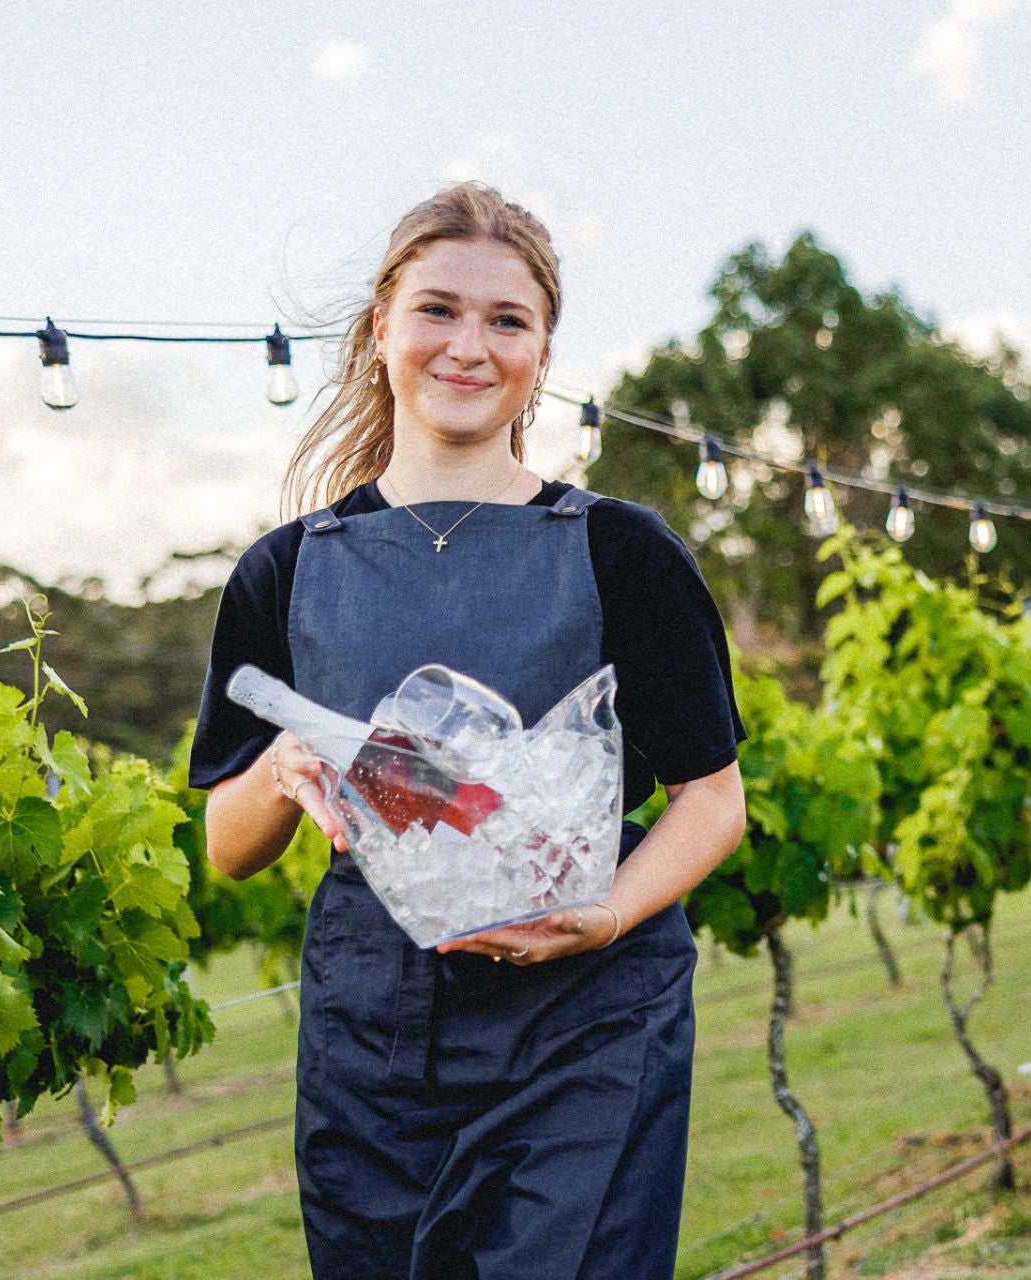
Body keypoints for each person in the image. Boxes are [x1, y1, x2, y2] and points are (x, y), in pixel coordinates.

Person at [190, 184, 747, 1279]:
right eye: (438, 309)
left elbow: (713, 796)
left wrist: (609, 912)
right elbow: (227, 838)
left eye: (507, 320)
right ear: (381, 330)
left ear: (542, 352)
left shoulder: (622, 552)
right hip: (370, 1023)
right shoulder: (288, 568)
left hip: (588, 1012)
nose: (469, 346)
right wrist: (283, 767)